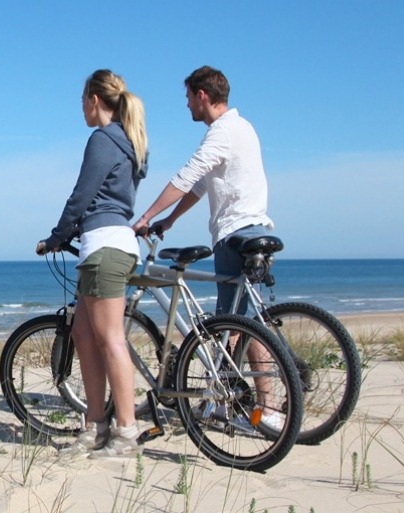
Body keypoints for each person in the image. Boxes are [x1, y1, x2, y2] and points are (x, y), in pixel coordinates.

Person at [131, 65, 285, 432]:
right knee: (241, 323)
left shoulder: (222, 132)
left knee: (239, 324)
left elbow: (185, 177)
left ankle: (269, 408)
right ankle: (240, 402)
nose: (186, 106)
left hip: (236, 234)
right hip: (252, 228)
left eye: (188, 98)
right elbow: (201, 187)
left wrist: (147, 215)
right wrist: (169, 221)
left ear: (203, 95)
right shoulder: (243, 127)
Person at [37, 69, 148, 459]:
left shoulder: (104, 139)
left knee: (110, 339)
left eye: (82, 99)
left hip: (105, 246)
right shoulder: (128, 139)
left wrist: (55, 236)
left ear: (94, 100)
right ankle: (95, 425)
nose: (81, 108)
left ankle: (127, 433)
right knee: (84, 335)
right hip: (101, 246)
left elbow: (82, 196)